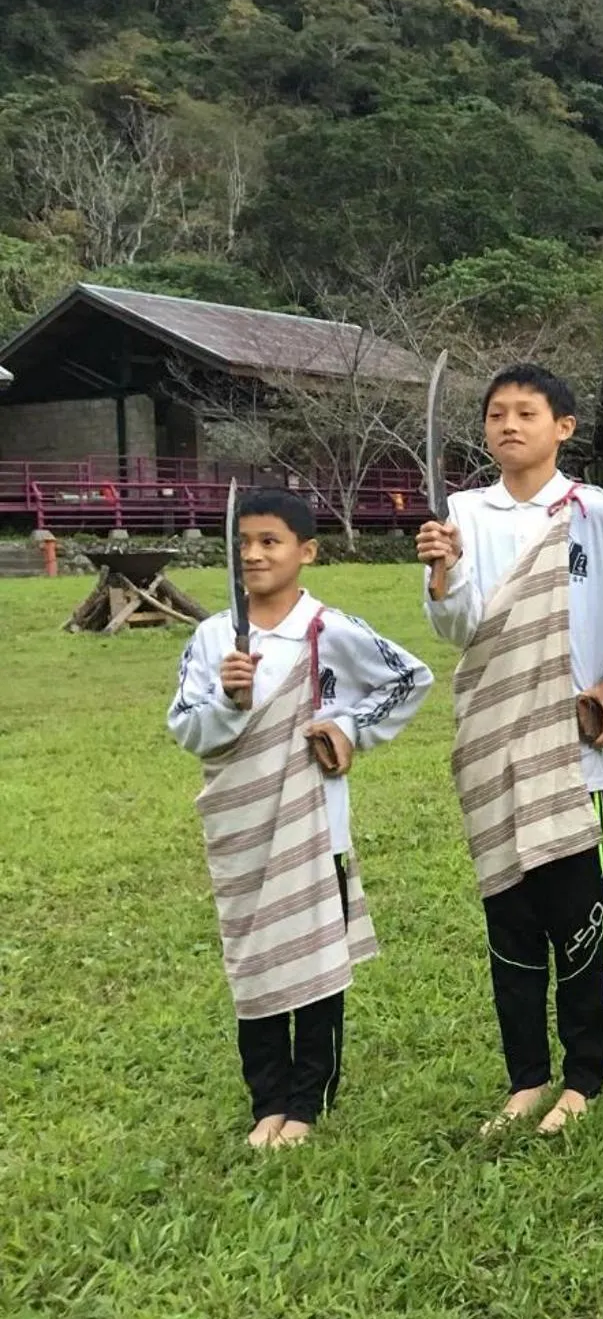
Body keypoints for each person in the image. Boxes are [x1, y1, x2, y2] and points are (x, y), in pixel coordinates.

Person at [415, 362, 603, 1136]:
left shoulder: (593, 511)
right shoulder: (462, 513)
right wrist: (443, 573)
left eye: (526, 412)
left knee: (577, 921)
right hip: (492, 743)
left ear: (563, 427)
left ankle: (583, 1077)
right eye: (496, 413)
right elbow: (457, 630)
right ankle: (525, 1078)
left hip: (571, 751)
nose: (508, 424)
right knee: (510, 923)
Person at [169, 487, 432, 1148]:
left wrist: (347, 728)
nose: (253, 555)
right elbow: (186, 727)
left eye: (270, 541)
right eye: (243, 543)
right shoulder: (211, 637)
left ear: (306, 552)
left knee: (315, 957)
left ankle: (309, 1098)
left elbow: (409, 678)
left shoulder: (328, 630)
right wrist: (229, 702)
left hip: (317, 826)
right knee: (253, 955)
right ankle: (268, 1099)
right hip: (240, 825)